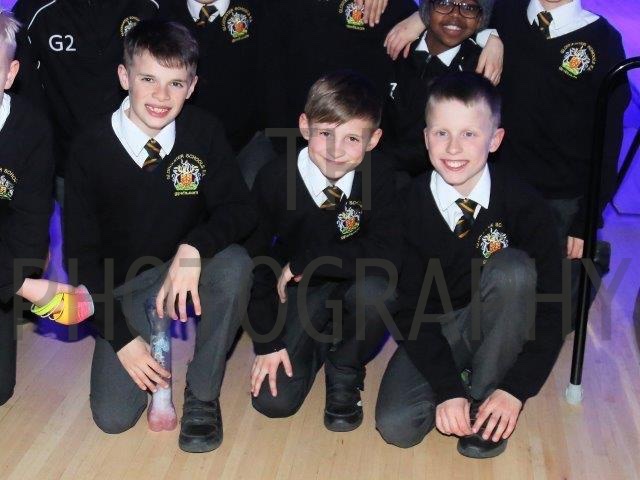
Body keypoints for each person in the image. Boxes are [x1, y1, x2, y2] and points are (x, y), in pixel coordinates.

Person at [63, 20, 256, 453]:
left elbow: (241, 210)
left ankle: (203, 394)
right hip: (123, 286)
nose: (161, 96)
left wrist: (194, 247)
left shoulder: (204, 131)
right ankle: (146, 332)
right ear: (124, 76)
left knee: (235, 265)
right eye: (148, 79)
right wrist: (121, 339)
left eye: (176, 83)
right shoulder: (89, 147)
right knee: (113, 418)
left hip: (182, 272)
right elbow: (81, 259)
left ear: (192, 87)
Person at [375, 72, 564, 458]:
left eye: (469, 134)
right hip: (435, 327)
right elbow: (407, 310)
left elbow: (554, 306)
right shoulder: (404, 207)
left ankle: (486, 395)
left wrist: (515, 390)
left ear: (495, 140)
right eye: (441, 133)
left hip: (500, 319)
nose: (453, 147)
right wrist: (447, 389)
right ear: (426, 137)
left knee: (513, 271)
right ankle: (460, 379)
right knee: (397, 426)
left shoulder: (526, 205)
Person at [247, 71, 401, 432]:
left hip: (358, 284)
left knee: (380, 290)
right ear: (304, 126)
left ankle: (345, 366)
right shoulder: (274, 178)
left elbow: (390, 254)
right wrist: (267, 341)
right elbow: (254, 260)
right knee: (273, 402)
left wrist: (312, 260)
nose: (335, 150)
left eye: (352, 138)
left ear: (374, 140)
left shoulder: (381, 175)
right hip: (302, 294)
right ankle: (320, 342)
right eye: (325, 133)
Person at [0, 10, 91, 406]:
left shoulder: (32, 127)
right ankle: (26, 291)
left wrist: (16, 273)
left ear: (10, 74)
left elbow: (32, 225)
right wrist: (27, 287)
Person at [11, 0, 159, 202]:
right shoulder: (35, 9)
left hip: (143, 159)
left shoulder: (150, 5)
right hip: (69, 164)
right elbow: (24, 92)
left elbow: (180, 70)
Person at [158, 0, 277, 187]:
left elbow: (277, 81)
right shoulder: (161, 14)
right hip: (182, 143)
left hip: (248, 142)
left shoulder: (262, 11)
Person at [381, 0, 493, 176]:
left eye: (469, 8)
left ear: (480, 19)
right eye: (444, 3)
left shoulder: (481, 70)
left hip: (435, 182)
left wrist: (494, 38)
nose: (455, 14)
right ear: (427, 9)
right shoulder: (394, 41)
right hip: (370, 170)